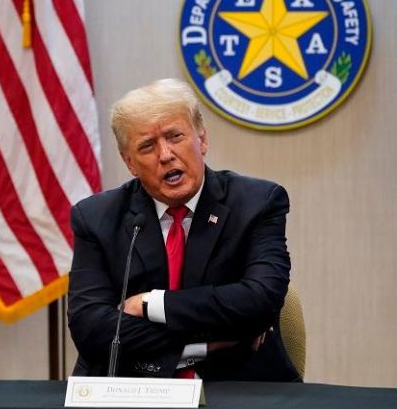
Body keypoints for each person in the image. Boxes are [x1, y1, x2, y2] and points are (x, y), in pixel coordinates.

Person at [67, 78, 299, 381]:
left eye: (175, 136)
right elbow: (92, 329)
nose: (165, 155)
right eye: (147, 146)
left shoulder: (257, 203)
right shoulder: (96, 217)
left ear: (201, 140)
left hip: (239, 387)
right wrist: (208, 342)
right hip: (131, 390)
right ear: (129, 163)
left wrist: (152, 303)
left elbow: (260, 301)